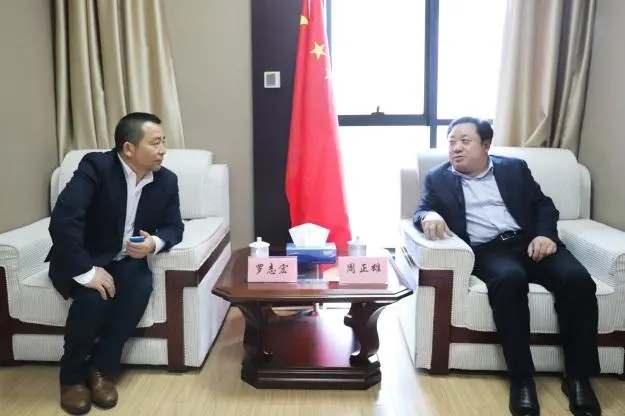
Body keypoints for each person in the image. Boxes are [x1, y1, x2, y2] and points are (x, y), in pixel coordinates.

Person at [413, 117, 601, 416]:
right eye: (451, 142)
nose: (456, 148)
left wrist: (545, 235)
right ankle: (522, 379)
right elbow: (421, 209)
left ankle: (578, 378)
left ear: (486, 145)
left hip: (531, 241)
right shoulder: (438, 178)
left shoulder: (514, 168)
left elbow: (543, 205)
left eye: (465, 141)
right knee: (510, 280)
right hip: (489, 250)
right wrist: (428, 216)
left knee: (577, 280)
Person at [46, 112, 184, 414]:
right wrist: (85, 272)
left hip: (125, 259)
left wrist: (153, 243)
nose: (163, 150)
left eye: (163, 142)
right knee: (93, 298)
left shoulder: (166, 180)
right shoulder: (95, 168)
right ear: (129, 148)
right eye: (155, 143)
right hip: (85, 256)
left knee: (140, 286)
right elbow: (64, 220)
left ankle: (102, 369)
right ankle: (71, 378)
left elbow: (175, 227)